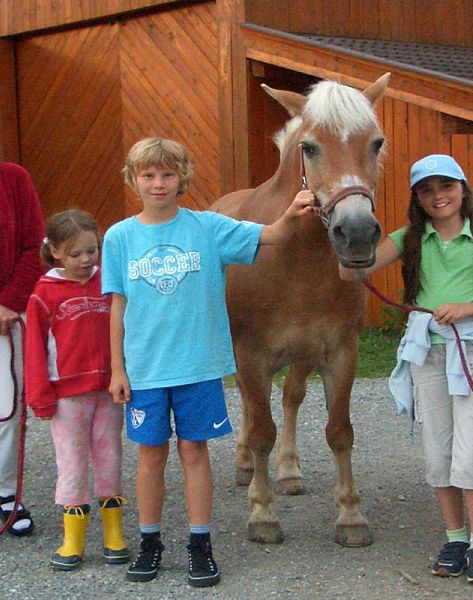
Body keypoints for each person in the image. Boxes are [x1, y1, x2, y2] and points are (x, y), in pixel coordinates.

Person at [102, 138, 314, 587]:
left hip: (197, 367)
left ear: (182, 178)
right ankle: (150, 542)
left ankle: (201, 545)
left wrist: (293, 210)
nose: (157, 183)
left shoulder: (208, 228)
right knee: (149, 457)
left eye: (166, 174)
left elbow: (270, 235)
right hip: (145, 370)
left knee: (195, 452)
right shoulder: (119, 237)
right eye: (148, 175)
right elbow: (117, 306)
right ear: (133, 179)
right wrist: (118, 368)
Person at [340, 154, 473, 584]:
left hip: (472, 352)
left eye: (446, 186)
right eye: (427, 190)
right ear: (417, 198)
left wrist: (472, 308)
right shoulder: (410, 238)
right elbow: (349, 270)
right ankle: (455, 538)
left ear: (463, 189)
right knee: (438, 451)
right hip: (427, 355)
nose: (439, 197)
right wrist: (342, 221)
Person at [25, 209, 128, 570]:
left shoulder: (109, 283)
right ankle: (74, 538)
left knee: (110, 456)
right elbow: (34, 350)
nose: (86, 260)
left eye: (92, 251)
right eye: (75, 254)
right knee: (71, 463)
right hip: (67, 396)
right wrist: (39, 396)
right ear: (54, 252)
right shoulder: (44, 294)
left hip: (107, 390)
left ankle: (113, 534)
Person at [0, 162, 44, 537]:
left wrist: (11, 301)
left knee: (5, 409)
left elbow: (34, 245)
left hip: (4, 316)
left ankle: (5, 493)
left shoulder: (14, 179)